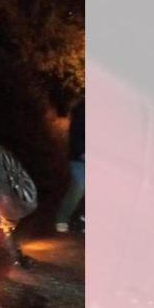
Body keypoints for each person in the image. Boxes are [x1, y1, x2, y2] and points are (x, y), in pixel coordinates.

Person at [56, 98, 85, 232]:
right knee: (79, 185)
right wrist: (81, 152)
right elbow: (75, 134)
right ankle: (62, 218)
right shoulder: (81, 111)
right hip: (79, 157)